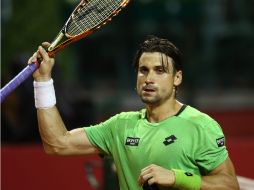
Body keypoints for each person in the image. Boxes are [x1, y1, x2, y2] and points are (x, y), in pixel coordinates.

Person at [28, 36, 239, 190]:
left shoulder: (201, 125)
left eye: (160, 70)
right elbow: (57, 143)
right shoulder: (120, 126)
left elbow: (229, 185)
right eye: (143, 70)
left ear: (177, 78)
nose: (148, 78)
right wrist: (42, 81)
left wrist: (177, 178)